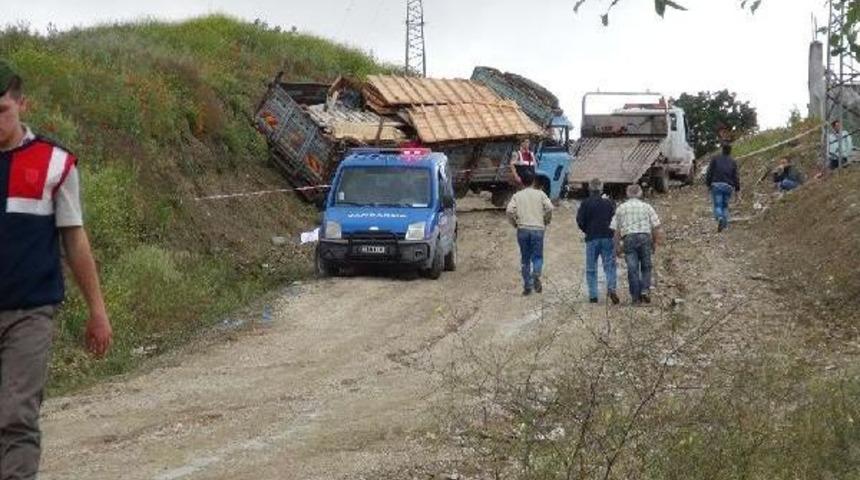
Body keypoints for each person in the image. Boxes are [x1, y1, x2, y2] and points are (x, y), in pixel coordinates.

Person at [0, 59, 112, 479]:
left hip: (29, 313)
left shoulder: (55, 164)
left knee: (15, 416)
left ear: (21, 104)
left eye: (1, 111)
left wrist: (97, 311)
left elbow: (75, 240)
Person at [610, 184, 662, 304]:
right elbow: (656, 227)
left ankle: (635, 298)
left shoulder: (621, 208)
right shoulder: (647, 207)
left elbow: (616, 230)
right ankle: (645, 290)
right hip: (645, 237)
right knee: (646, 266)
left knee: (632, 269)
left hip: (629, 238)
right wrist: (654, 243)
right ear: (640, 193)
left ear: (627, 194)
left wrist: (617, 246)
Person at [506, 169, 553, 296]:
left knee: (525, 259)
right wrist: (546, 220)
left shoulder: (517, 196)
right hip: (538, 228)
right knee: (537, 256)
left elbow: (509, 211)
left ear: (522, 182)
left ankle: (527, 286)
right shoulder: (541, 194)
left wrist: (514, 223)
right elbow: (549, 207)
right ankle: (536, 273)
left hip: (523, 229)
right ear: (533, 181)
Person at [576, 178, 619, 305]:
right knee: (609, 265)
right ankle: (611, 288)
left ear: (589, 189)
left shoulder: (585, 203)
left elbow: (580, 221)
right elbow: (615, 219)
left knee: (591, 268)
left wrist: (587, 230)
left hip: (592, 238)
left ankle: (593, 296)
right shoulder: (610, 203)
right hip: (607, 237)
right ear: (601, 189)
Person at [705, 142, 740, 232]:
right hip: (728, 186)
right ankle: (724, 225)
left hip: (716, 185)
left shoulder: (715, 159)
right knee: (725, 206)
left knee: (717, 205)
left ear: (722, 150)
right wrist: (737, 190)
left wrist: (708, 184)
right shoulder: (733, 161)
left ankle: (720, 218)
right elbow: (736, 176)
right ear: (730, 151)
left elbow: (709, 172)